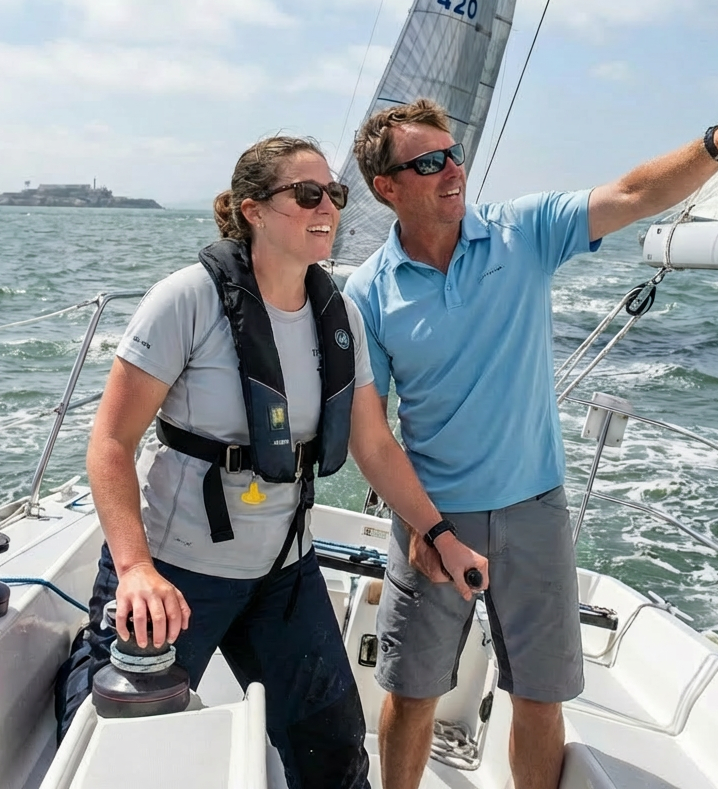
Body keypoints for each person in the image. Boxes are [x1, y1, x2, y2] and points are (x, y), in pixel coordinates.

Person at [343, 83, 718, 789]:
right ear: (386, 188)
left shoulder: (521, 231)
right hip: (433, 516)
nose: (452, 170)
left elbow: (630, 195)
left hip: (535, 509)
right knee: (412, 695)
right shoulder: (370, 290)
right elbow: (371, 434)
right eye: (428, 163)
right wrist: (424, 523)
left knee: (539, 697)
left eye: (453, 154)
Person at [56, 134, 488, 789]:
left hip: (282, 571)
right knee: (119, 748)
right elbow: (110, 443)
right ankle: (90, 655)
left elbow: (373, 444)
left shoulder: (337, 314)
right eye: (307, 193)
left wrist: (439, 533)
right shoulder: (186, 300)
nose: (328, 208)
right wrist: (137, 569)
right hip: (177, 573)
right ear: (254, 210)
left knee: (335, 751)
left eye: (334, 194)